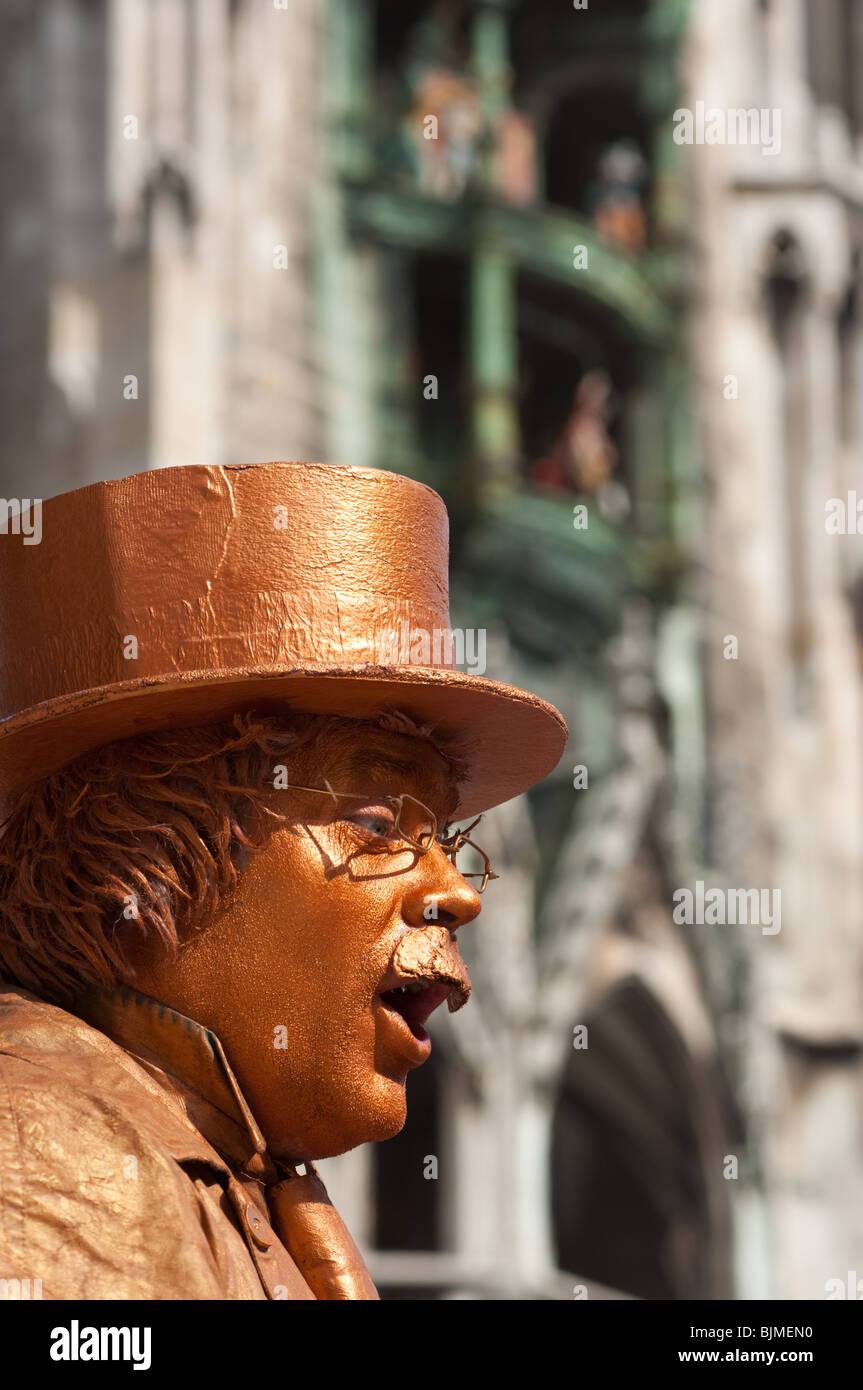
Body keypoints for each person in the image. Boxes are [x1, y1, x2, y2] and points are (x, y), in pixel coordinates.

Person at [0, 461, 566, 1300]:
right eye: (378, 827)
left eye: (444, 838)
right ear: (144, 862)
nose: (459, 892)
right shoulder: (58, 1155)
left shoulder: (239, 1172)